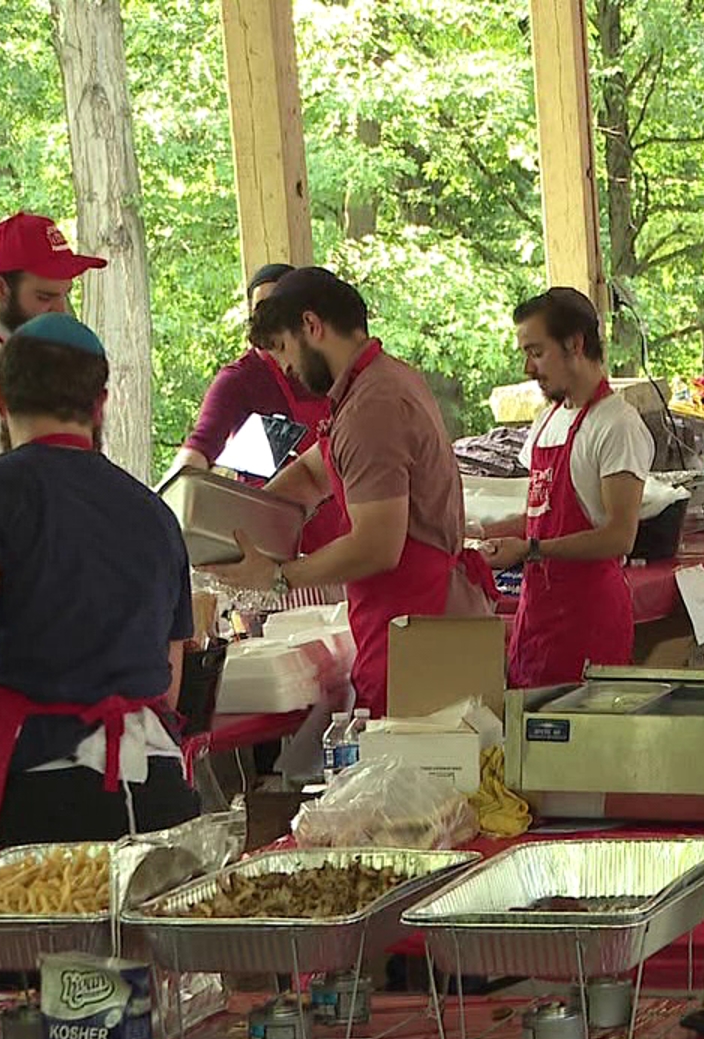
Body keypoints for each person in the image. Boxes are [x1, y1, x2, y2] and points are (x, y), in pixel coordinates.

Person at [207, 268, 494, 716]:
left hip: (420, 629)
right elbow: (311, 475)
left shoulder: (372, 406)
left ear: (311, 327)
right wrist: (235, 524)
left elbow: (377, 546)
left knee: (427, 773)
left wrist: (280, 577)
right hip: (407, 622)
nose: (284, 368)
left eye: (283, 349)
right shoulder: (374, 382)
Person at [0, 314, 199, 853]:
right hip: (158, 792)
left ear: (1, 399)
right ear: (100, 405)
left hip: (37, 795)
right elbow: (168, 682)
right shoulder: (155, 513)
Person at [481, 287, 652, 687]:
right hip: (537, 615)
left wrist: (533, 549)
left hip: (588, 621)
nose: (527, 368)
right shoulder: (545, 422)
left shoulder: (616, 425)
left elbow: (619, 536)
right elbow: (538, 516)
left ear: (575, 343)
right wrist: (482, 533)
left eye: (537, 353)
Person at [173, 263, 348, 563]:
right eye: (261, 313)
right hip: (272, 547)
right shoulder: (239, 379)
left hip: (344, 541)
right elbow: (200, 448)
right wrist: (173, 506)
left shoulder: (342, 377)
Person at [0, 213, 106, 461]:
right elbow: (4, 488)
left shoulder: (19, 352)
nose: (60, 311)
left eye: (65, 295)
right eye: (45, 297)